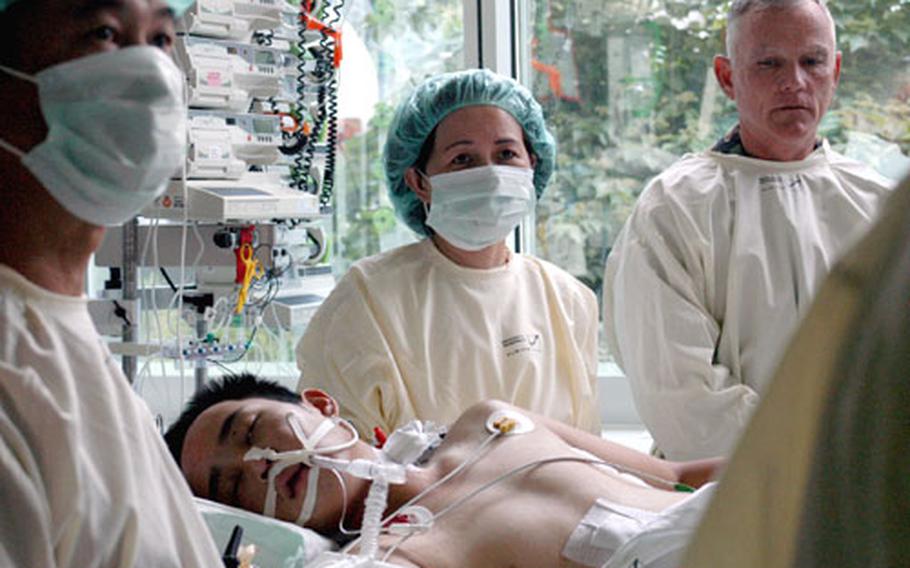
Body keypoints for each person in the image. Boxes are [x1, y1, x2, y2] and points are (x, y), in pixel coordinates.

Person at [602, 0, 894, 461]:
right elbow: (680, 400)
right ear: (727, 77)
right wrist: (822, 464)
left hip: (862, 493)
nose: (794, 82)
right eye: (769, 63)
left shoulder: (880, 206)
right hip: (720, 497)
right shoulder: (675, 208)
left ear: (835, 70)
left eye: (812, 61)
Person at [0, 1, 222, 566]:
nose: (148, 72)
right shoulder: (14, 369)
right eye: (104, 33)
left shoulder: (57, 329)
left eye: (162, 38)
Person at [297, 69, 601, 438]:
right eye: (463, 159)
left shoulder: (567, 300)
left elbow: (586, 449)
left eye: (506, 154)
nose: (490, 175)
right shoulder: (369, 299)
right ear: (419, 181)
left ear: (532, 164)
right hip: (418, 497)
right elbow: (340, 460)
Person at [165, 374, 723, 568]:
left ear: (320, 404)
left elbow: (678, 474)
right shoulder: (395, 555)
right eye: (231, 485)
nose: (257, 465)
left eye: (250, 431)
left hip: (742, 514)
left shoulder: (490, 421)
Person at [684, 173, 910, 568]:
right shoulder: (683, 201)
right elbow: (680, 392)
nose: (798, 104)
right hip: (734, 481)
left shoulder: (870, 197)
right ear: (732, 104)